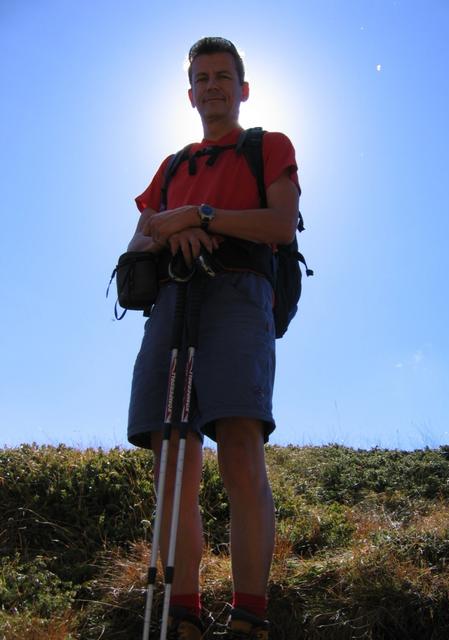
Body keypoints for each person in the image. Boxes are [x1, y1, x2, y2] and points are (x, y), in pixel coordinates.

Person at [126, 37, 300, 640]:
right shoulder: (172, 165)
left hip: (240, 295)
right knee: (171, 456)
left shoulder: (268, 147)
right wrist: (172, 231)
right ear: (190, 93)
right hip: (172, 301)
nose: (212, 87)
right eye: (202, 78)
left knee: (239, 446)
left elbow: (280, 224)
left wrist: (199, 216)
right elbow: (137, 241)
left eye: (223, 76)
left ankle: (250, 614)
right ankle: (185, 613)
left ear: (243, 89)